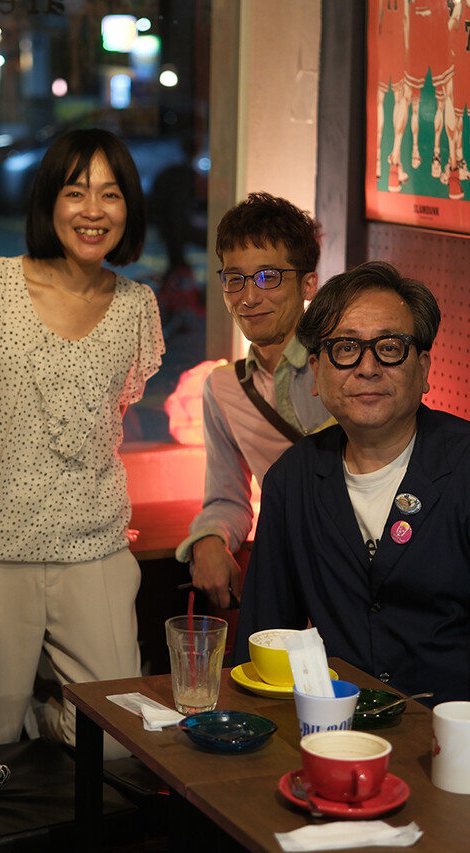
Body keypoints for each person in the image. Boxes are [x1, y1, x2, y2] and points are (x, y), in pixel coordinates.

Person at [235, 261, 470, 792]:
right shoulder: (292, 480)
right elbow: (266, 638)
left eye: (390, 348)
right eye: (345, 348)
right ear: (315, 371)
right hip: (357, 742)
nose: (367, 368)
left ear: (424, 366)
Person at [0, 128, 164, 760]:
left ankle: (46, 720)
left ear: (129, 208)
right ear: (49, 202)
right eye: (76, 191)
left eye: (111, 194)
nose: (94, 210)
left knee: (119, 743)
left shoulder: (137, 306)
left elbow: (108, 419)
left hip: (93, 546)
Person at [175, 192, 331, 613]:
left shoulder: (341, 365)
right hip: (287, 572)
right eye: (235, 279)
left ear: (308, 284)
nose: (248, 297)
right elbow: (227, 498)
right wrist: (209, 538)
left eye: (268, 277)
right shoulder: (223, 388)